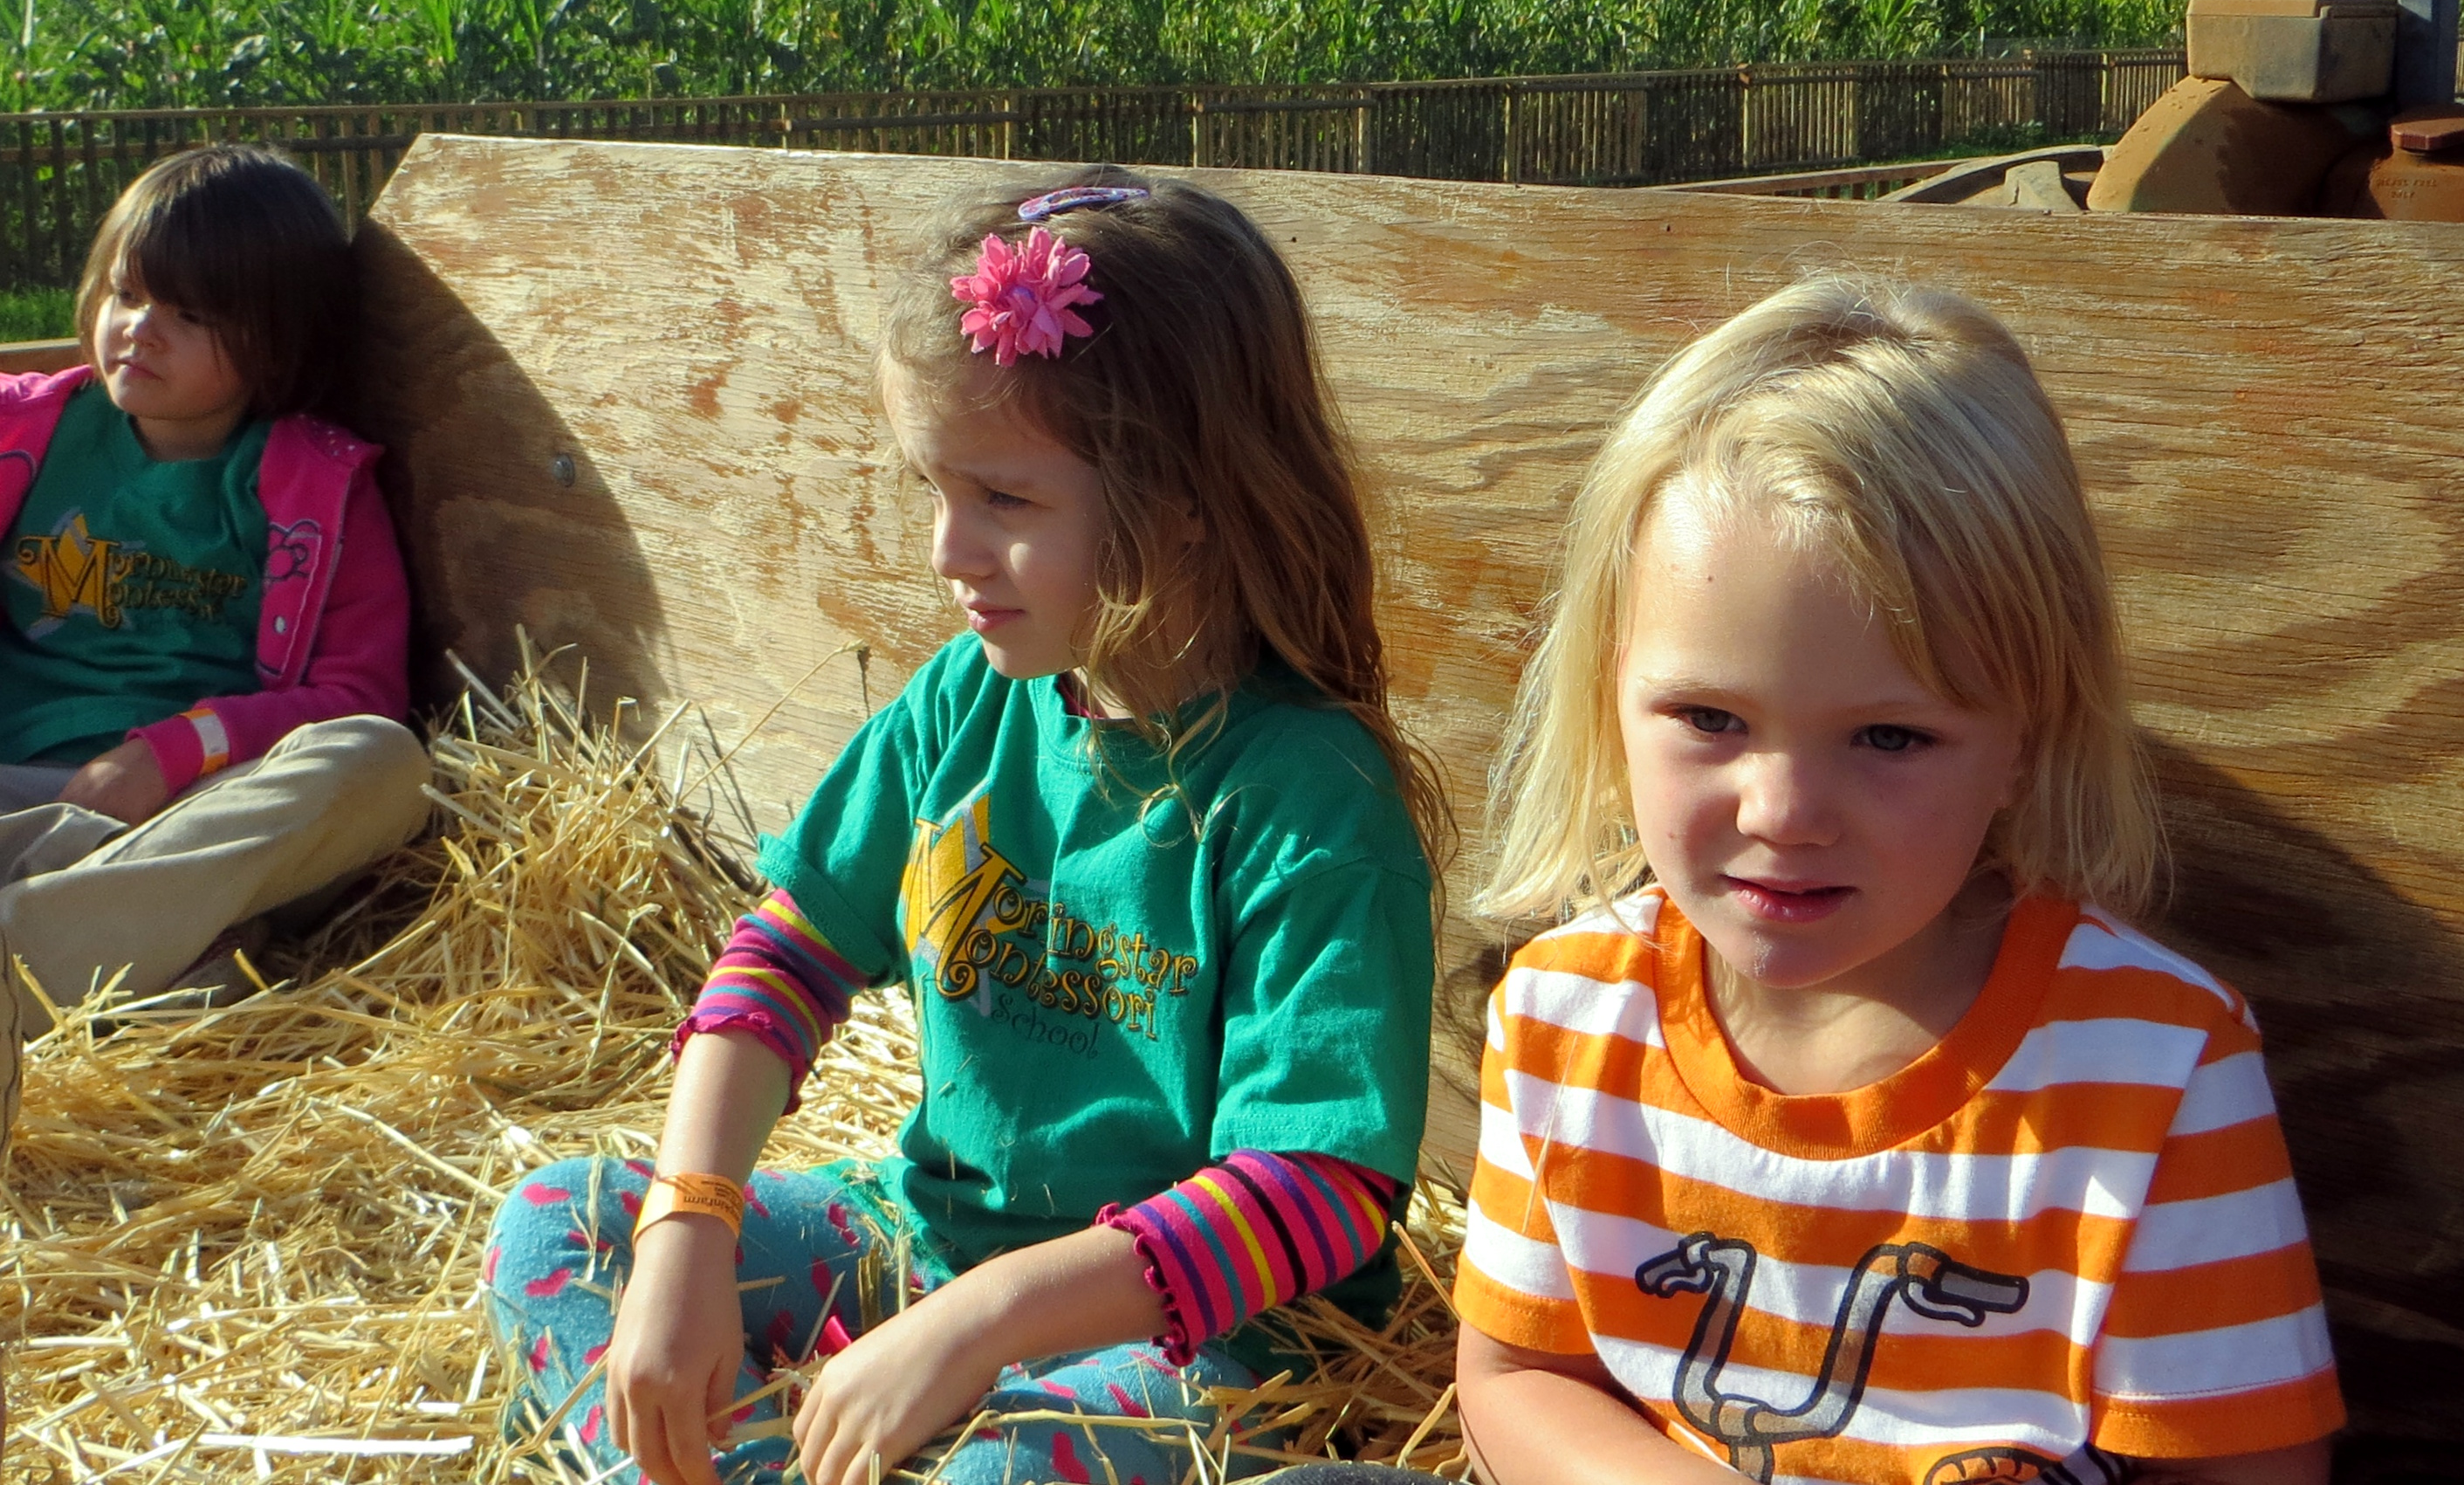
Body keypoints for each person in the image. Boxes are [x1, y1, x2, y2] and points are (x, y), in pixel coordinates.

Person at [484, 173, 1449, 1485]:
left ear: (1184, 498)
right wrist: (688, 1225)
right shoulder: (968, 700)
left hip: (1207, 1343)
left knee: (1017, 1463)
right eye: (935, 489)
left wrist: (977, 1325)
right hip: (932, 1244)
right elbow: (784, 953)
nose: (949, 550)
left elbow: (1314, 1195)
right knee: (559, 1229)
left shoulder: (1307, 796)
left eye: (1004, 500)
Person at [1452, 278, 2344, 1485]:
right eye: (1709, 717)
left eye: (1887, 736)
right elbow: (1514, 1379)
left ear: (2025, 735)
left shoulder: (2152, 1073)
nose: (1781, 813)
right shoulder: (1564, 1015)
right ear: (1609, 692)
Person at [0, 145, 427, 1051]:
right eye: (127, 294)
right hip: (19, 793)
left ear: (280, 337)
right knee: (211, 952)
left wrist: (174, 752)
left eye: (190, 314)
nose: (139, 330)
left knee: (384, 763)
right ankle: (163, 964)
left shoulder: (319, 488)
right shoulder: (23, 435)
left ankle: (36, 965)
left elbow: (360, 695)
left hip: (195, 816)